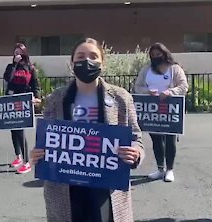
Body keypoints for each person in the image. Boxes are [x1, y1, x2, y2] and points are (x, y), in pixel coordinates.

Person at [30, 38, 145, 222]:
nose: (87, 61)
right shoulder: (56, 98)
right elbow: (46, 141)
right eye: (81, 56)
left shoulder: (121, 98)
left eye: (93, 56)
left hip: (106, 187)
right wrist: (38, 154)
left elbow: (136, 137)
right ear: (72, 63)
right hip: (65, 188)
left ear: (102, 63)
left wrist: (136, 152)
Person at [134, 42, 188, 182]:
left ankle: (170, 170)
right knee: (157, 140)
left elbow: (183, 86)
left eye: (158, 54)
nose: (156, 57)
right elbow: (138, 86)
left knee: (170, 139)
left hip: (170, 109)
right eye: (153, 55)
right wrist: (147, 92)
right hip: (152, 110)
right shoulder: (146, 70)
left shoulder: (174, 69)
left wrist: (171, 92)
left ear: (165, 54)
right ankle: (160, 169)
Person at [3, 43, 41, 174]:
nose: (17, 54)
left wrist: (37, 97)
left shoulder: (30, 68)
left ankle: (26, 162)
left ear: (24, 53)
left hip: (24, 101)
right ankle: (18, 156)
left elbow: (35, 84)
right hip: (12, 99)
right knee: (13, 129)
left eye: (20, 52)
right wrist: (14, 64)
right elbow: (8, 78)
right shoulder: (10, 66)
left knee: (20, 130)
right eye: (15, 52)